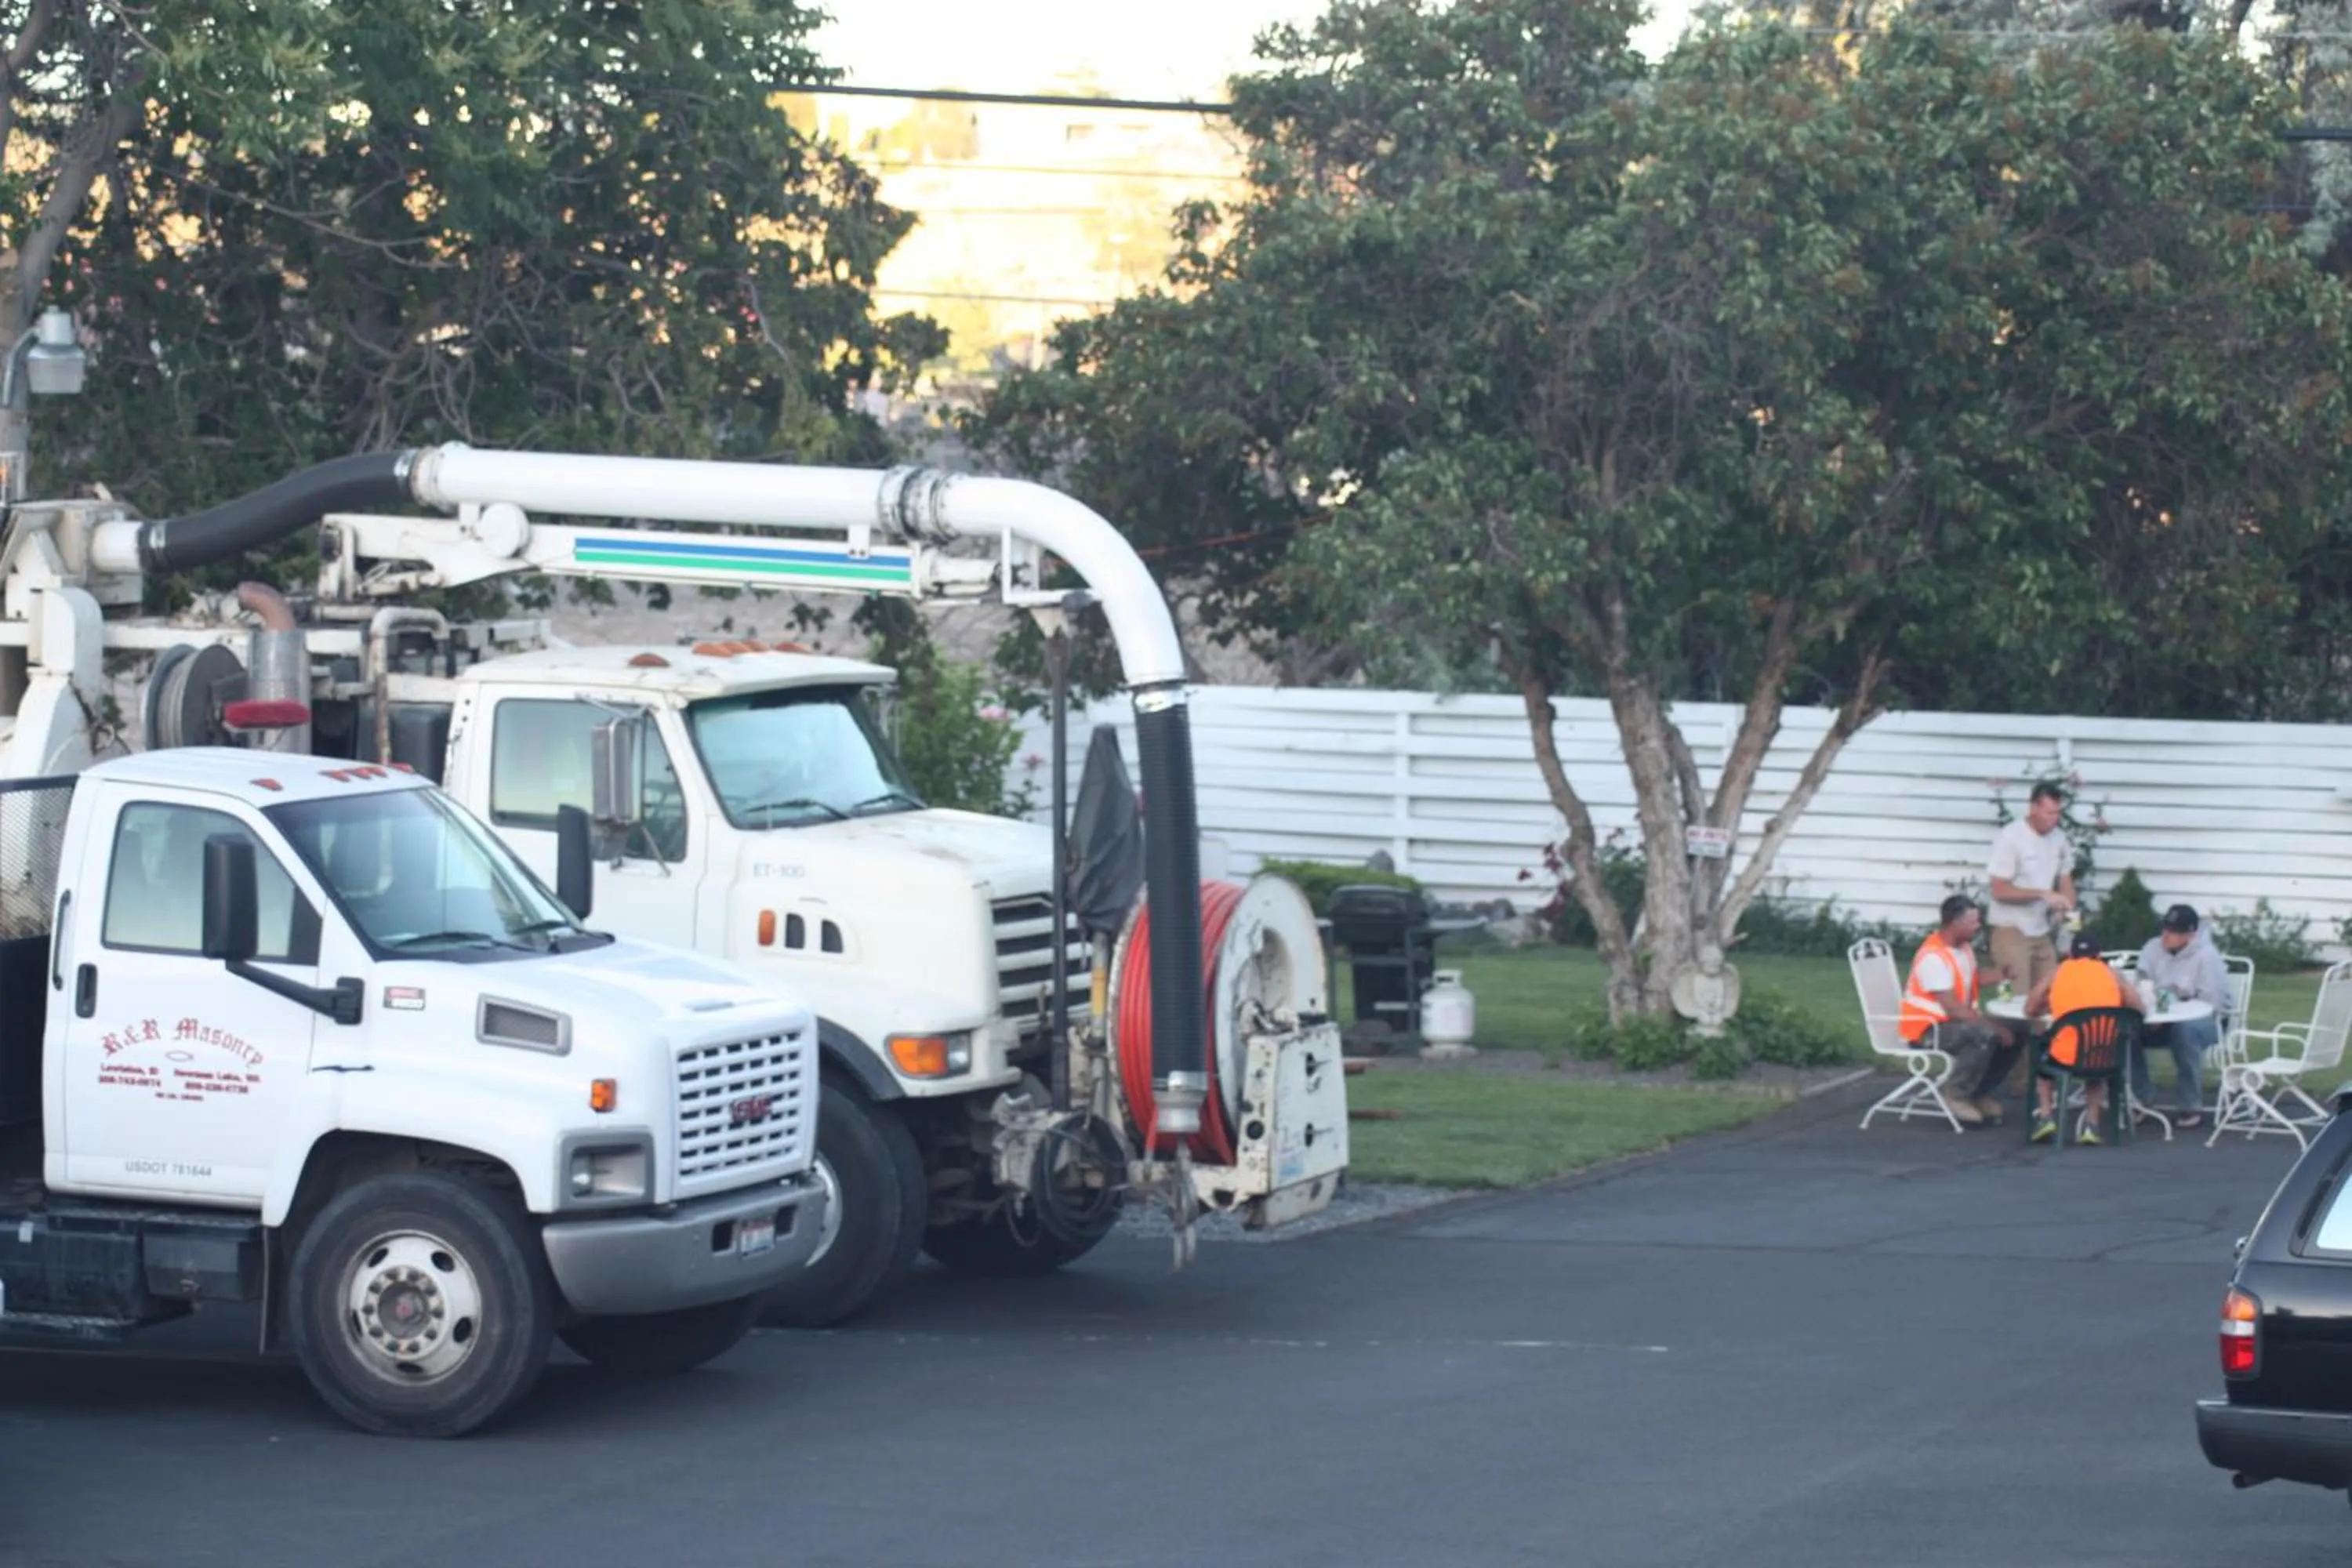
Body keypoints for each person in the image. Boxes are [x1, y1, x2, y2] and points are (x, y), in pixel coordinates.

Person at [1899, 894, 2026, 1127]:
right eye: (1972, 922)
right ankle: (1957, 1094)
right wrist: (1993, 1026)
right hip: (1927, 1030)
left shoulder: (1963, 949)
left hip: (1953, 1022)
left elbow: (1971, 978)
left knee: (2018, 1030)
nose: (1978, 927)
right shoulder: (1933, 958)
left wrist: (2001, 974)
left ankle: (1980, 1092)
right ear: (1954, 923)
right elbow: (1955, 1009)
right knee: (1984, 1035)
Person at [2024, 932, 2143, 1145]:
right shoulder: (2111, 974)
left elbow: (2031, 1008)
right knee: (2095, 1068)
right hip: (2104, 1054)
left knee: (2042, 1063)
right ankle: (2092, 1125)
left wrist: (2046, 1004)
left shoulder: (2058, 972)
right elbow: (2137, 1005)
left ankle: (2046, 1116)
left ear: (2071, 953)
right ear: (2098, 955)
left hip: (2066, 1056)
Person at [2132, 903, 2227, 1132]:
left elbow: (2211, 1004)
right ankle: (2140, 1097)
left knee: (2185, 1032)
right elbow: (2142, 982)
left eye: (2173, 931)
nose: (2166, 935)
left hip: (2208, 1021)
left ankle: (2190, 1105)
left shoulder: (2207, 956)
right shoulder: (2152, 949)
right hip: (2158, 1016)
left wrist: (2175, 1009)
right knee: (2125, 1030)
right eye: (2165, 928)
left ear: (2190, 934)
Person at [1987, 782, 2076, 1001]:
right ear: (2033, 808)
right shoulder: (2011, 837)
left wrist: (2068, 908)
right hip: (2010, 928)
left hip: (2040, 930)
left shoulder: (2059, 838)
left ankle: (2043, 1036)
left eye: (2057, 813)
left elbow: (2065, 878)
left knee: (2050, 996)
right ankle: (2011, 1035)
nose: (2054, 818)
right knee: (2015, 999)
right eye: (2049, 812)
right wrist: (2042, 894)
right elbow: (1999, 890)